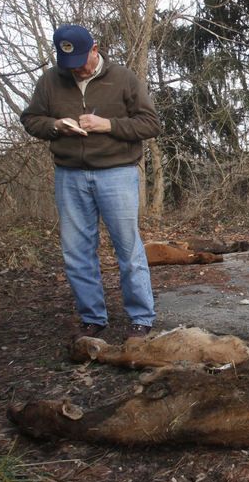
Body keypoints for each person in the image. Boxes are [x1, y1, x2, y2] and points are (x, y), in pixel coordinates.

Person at [20, 24, 161, 340]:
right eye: (70, 65)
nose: (78, 70)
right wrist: (56, 125)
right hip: (69, 176)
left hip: (117, 174)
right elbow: (30, 120)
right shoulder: (51, 80)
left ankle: (141, 319)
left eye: (82, 62)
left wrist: (107, 125)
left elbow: (151, 123)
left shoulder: (123, 78)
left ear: (95, 50)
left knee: (128, 249)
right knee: (76, 252)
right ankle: (92, 319)